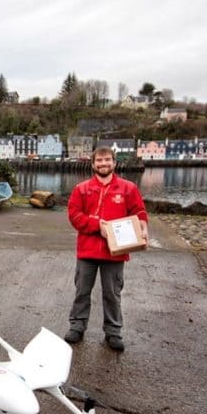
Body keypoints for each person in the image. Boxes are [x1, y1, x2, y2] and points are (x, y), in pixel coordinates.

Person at [64, 147, 148, 352]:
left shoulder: (128, 188)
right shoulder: (81, 189)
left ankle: (113, 331)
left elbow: (139, 211)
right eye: (99, 161)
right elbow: (74, 215)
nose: (103, 164)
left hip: (116, 252)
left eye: (107, 160)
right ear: (93, 164)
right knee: (82, 290)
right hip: (87, 251)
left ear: (114, 163)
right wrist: (97, 226)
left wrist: (143, 225)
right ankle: (77, 325)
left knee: (112, 293)